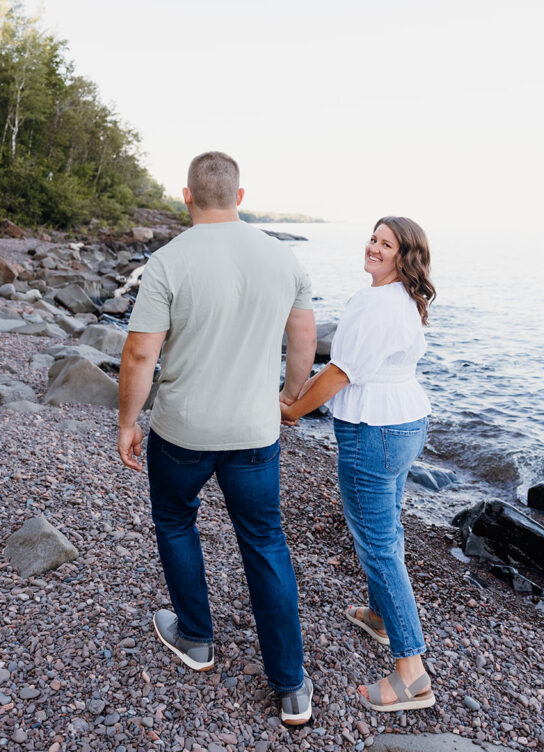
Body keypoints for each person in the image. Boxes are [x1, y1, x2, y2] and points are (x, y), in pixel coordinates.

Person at [117, 151, 317, 725]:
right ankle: (291, 686)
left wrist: (128, 422)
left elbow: (139, 353)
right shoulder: (282, 259)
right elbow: (302, 338)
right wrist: (290, 398)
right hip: (254, 431)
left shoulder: (168, 261)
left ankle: (197, 638)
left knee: (177, 521)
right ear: (240, 196)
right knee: (264, 542)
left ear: (187, 196)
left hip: (183, 428)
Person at [279, 216, 437, 714]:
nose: (373, 246)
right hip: (405, 423)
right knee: (385, 530)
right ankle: (381, 616)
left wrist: (291, 410)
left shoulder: (376, 304)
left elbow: (342, 372)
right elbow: (348, 367)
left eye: (385, 243)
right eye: (372, 237)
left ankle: (412, 673)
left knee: (377, 543)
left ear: (403, 256)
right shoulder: (403, 300)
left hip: (376, 431)